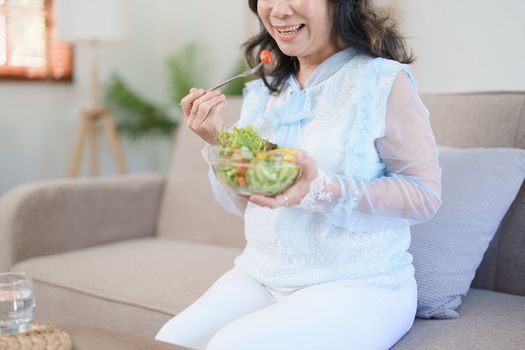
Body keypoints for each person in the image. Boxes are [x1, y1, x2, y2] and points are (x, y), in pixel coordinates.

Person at [155, 0, 442, 349]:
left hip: (359, 284)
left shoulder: (382, 81)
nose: (278, 10)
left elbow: (423, 196)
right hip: (259, 275)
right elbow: (247, 203)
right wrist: (219, 141)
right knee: (168, 340)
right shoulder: (263, 91)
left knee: (231, 344)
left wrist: (320, 188)